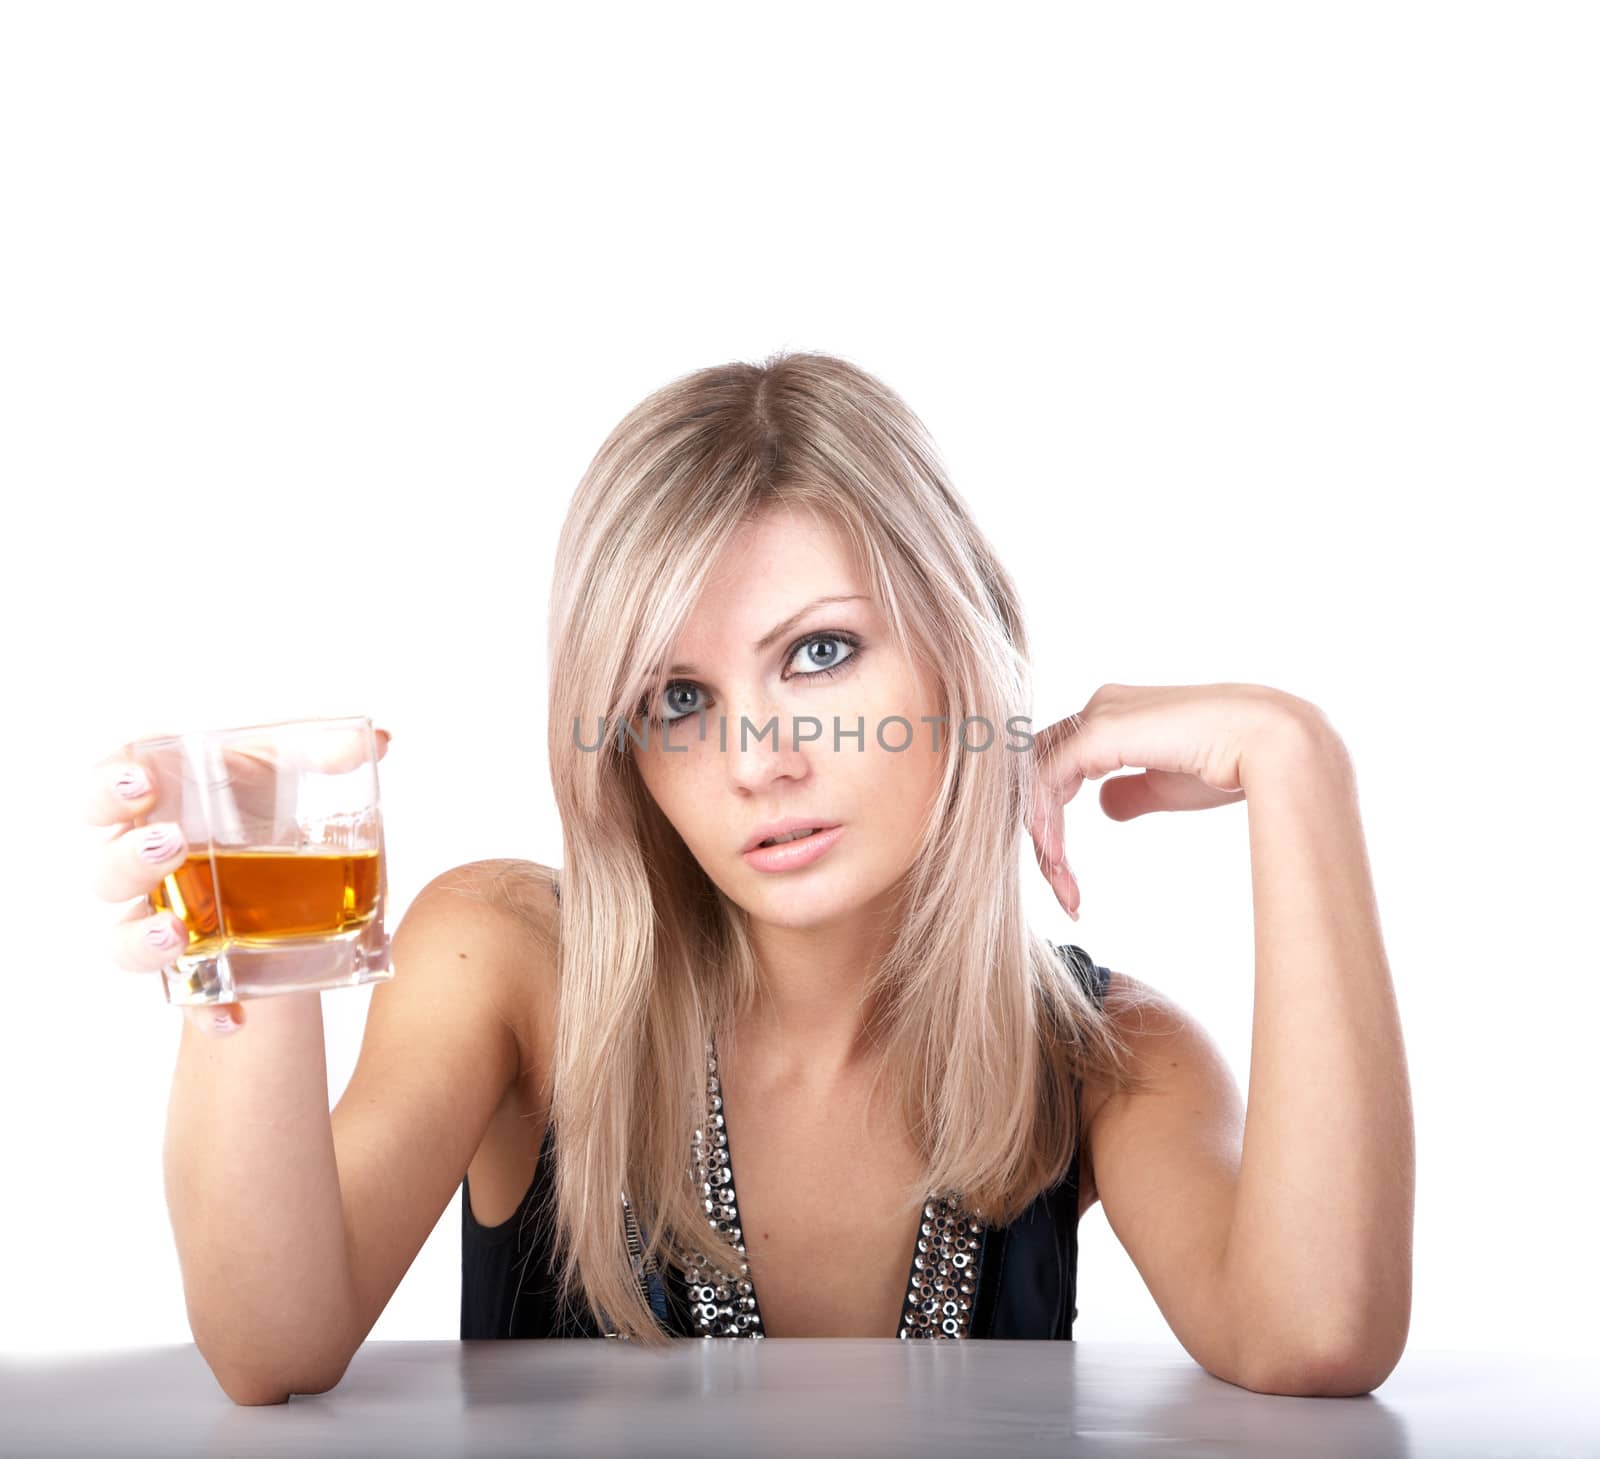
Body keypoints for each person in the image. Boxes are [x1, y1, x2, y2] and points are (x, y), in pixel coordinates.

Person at [81, 349, 1412, 1401]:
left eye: (821, 655)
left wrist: (1299, 767)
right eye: (677, 696)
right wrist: (241, 951)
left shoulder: (1106, 1056)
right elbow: (271, 1349)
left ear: (965, 649)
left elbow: (1311, 1340)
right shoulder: (510, 963)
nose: (758, 758)